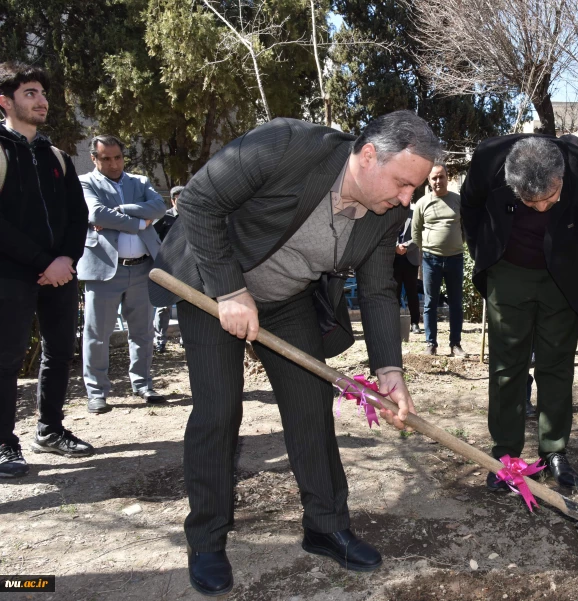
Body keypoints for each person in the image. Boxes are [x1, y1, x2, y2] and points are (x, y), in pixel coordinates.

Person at [149, 111, 440, 595]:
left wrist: (389, 367)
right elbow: (199, 201)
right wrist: (229, 290)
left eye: (415, 187)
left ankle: (325, 525)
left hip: (286, 300)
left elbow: (378, 291)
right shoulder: (287, 145)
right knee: (219, 411)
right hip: (210, 283)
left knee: (311, 404)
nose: (407, 197)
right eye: (404, 183)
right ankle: (206, 538)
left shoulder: (387, 212)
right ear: (369, 156)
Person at [461, 135, 578, 490]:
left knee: (556, 364)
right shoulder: (488, 161)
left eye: (550, 199)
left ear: (561, 178)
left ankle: (554, 449)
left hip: (564, 277)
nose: (541, 209)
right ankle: (506, 453)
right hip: (508, 271)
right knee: (506, 367)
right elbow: (470, 210)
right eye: (530, 201)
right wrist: (489, 261)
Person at [0, 61, 93, 477]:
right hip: (11, 276)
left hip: (60, 274)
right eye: (30, 94)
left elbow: (78, 213)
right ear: (5, 102)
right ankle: (4, 444)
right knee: (6, 359)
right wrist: (44, 262)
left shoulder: (56, 155)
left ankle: (50, 430)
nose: (42, 101)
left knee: (59, 352)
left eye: (42, 93)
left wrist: (66, 261)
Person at [78, 135, 167, 414]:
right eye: (106, 158)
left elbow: (160, 207)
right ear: (94, 158)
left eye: (118, 157)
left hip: (143, 268)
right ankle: (97, 392)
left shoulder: (139, 182)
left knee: (142, 332)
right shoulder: (85, 182)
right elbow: (96, 214)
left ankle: (142, 384)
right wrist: (141, 222)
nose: (114, 163)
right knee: (97, 335)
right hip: (104, 270)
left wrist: (121, 211)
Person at [412, 162, 466, 357]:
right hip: (430, 260)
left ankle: (456, 344)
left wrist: (456, 244)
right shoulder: (422, 203)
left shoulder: (458, 201)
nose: (438, 181)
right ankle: (431, 343)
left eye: (441, 177)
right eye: (434, 178)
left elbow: (465, 229)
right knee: (430, 304)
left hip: (455, 259)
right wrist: (428, 248)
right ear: (429, 180)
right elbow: (416, 232)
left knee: (456, 304)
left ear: (447, 177)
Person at [152, 185, 182, 352]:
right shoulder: (164, 218)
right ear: (172, 200)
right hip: (167, 267)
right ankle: (160, 341)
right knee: (164, 306)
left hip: (186, 267)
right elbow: (151, 237)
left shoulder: (190, 216)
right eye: (179, 199)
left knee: (186, 304)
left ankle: (185, 339)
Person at [393, 204, 422, 334]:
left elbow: (419, 235)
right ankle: (394, 322)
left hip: (410, 258)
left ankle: (415, 323)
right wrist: (395, 247)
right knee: (394, 292)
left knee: (412, 292)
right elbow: (385, 234)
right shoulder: (390, 214)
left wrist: (405, 247)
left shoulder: (415, 214)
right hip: (394, 259)